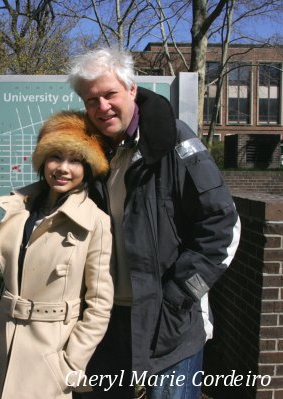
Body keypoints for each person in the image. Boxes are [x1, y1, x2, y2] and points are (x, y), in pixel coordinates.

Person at [68, 48, 241, 399]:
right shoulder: (92, 153)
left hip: (169, 328)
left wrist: (179, 296)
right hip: (106, 323)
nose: (102, 107)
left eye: (110, 94)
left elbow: (223, 225)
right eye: (91, 100)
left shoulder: (174, 142)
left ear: (131, 89)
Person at [0, 110, 114, 399]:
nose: (63, 168)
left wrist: (70, 365)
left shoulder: (95, 222)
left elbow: (99, 305)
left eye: (75, 160)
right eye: (55, 156)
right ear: (43, 161)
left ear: (88, 168)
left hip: (50, 354)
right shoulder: (21, 207)